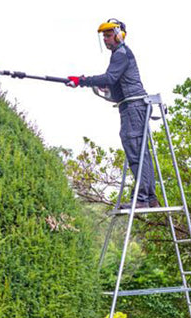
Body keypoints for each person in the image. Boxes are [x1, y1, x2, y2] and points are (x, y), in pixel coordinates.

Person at [67, 19, 159, 209]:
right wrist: (102, 85)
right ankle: (149, 198)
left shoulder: (121, 54)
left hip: (134, 107)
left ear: (119, 35)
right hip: (133, 106)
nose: (106, 40)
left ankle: (142, 199)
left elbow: (110, 77)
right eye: (104, 37)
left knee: (135, 149)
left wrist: (83, 80)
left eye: (109, 35)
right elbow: (114, 83)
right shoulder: (120, 55)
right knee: (140, 151)